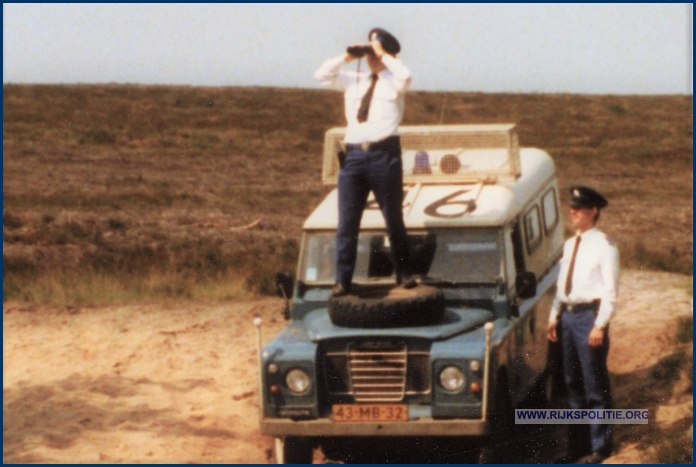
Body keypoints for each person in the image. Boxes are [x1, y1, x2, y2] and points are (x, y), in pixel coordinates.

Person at [314, 27, 416, 297]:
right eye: (370, 52)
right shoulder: (353, 78)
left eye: (377, 52)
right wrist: (347, 56)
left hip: (384, 155)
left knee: (393, 218)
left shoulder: (393, 81)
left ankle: (404, 273)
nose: (372, 57)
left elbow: (405, 77)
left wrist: (386, 57)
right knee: (347, 221)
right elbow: (322, 76)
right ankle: (342, 280)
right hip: (354, 157)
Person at [547, 186, 620, 464]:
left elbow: (610, 291)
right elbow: (563, 288)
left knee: (594, 383)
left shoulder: (604, 245)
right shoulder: (569, 244)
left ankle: (600, 448)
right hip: (568, 317)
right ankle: (576, 448)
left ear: (593, 211)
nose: (572, 211)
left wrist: (599, 325)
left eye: (578, 207)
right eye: (571, 206)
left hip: (589, 318)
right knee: (572, 384)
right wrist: (554, 315)